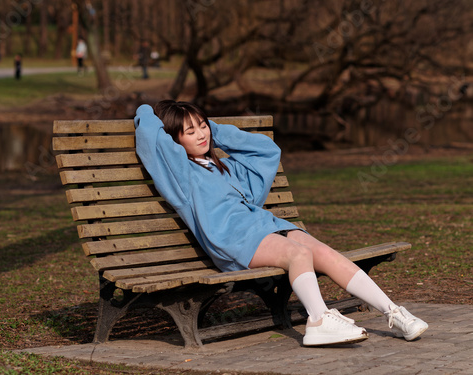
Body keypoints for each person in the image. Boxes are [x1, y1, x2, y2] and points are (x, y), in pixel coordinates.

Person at [134, 100, 429, 347]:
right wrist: (150, 108)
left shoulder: (225, 167)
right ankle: (318, 320)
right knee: (298, 254)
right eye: (190, 131)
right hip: (232, 240)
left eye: (203, 125)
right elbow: (150, 135)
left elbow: (267, 150)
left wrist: (217, 132)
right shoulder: (179, 173)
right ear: (174, 140)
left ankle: (393, 312)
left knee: (323, 252)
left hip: (262, 225)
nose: (201, 134)